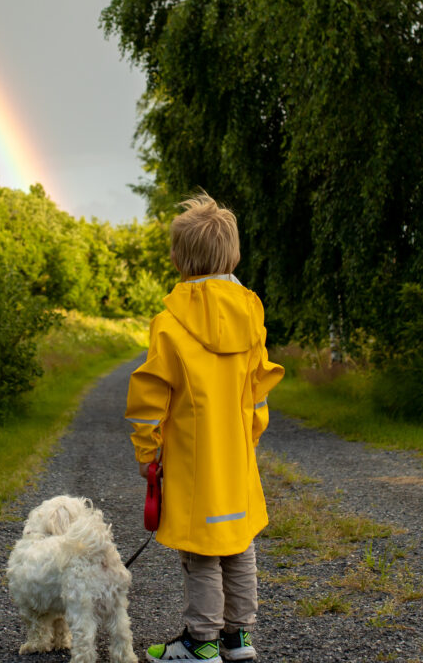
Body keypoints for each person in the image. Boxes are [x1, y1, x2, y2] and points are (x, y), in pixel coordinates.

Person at [125, 192, 285, 662]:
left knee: (200, 553)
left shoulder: (169, 324)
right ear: (233, 254)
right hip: (236, 457)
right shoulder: (250, 315)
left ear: (178, 258)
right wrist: (248, 437)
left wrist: (147, 454)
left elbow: (149, 400)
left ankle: (200, 642)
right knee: (238, 543)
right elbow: (258, 389)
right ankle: (238, 638)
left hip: (194, 463)